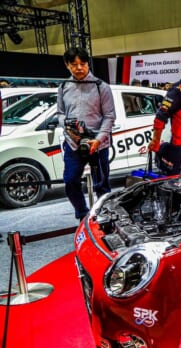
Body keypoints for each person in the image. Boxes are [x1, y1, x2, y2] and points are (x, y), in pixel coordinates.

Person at [56, 46, 116, 221]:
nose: (79, 68)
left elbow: (110, 116)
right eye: (74, 64)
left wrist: (98, 139)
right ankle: (83, 215)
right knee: (70, 181)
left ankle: (105, 218)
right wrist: (68, 128)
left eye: (82, 64)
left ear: (88, 64)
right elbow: (60, 113)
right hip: (73, 144)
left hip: (98, 144)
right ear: (67, 65)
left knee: (102, 185)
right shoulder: (63, 87)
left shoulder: (101, 87)